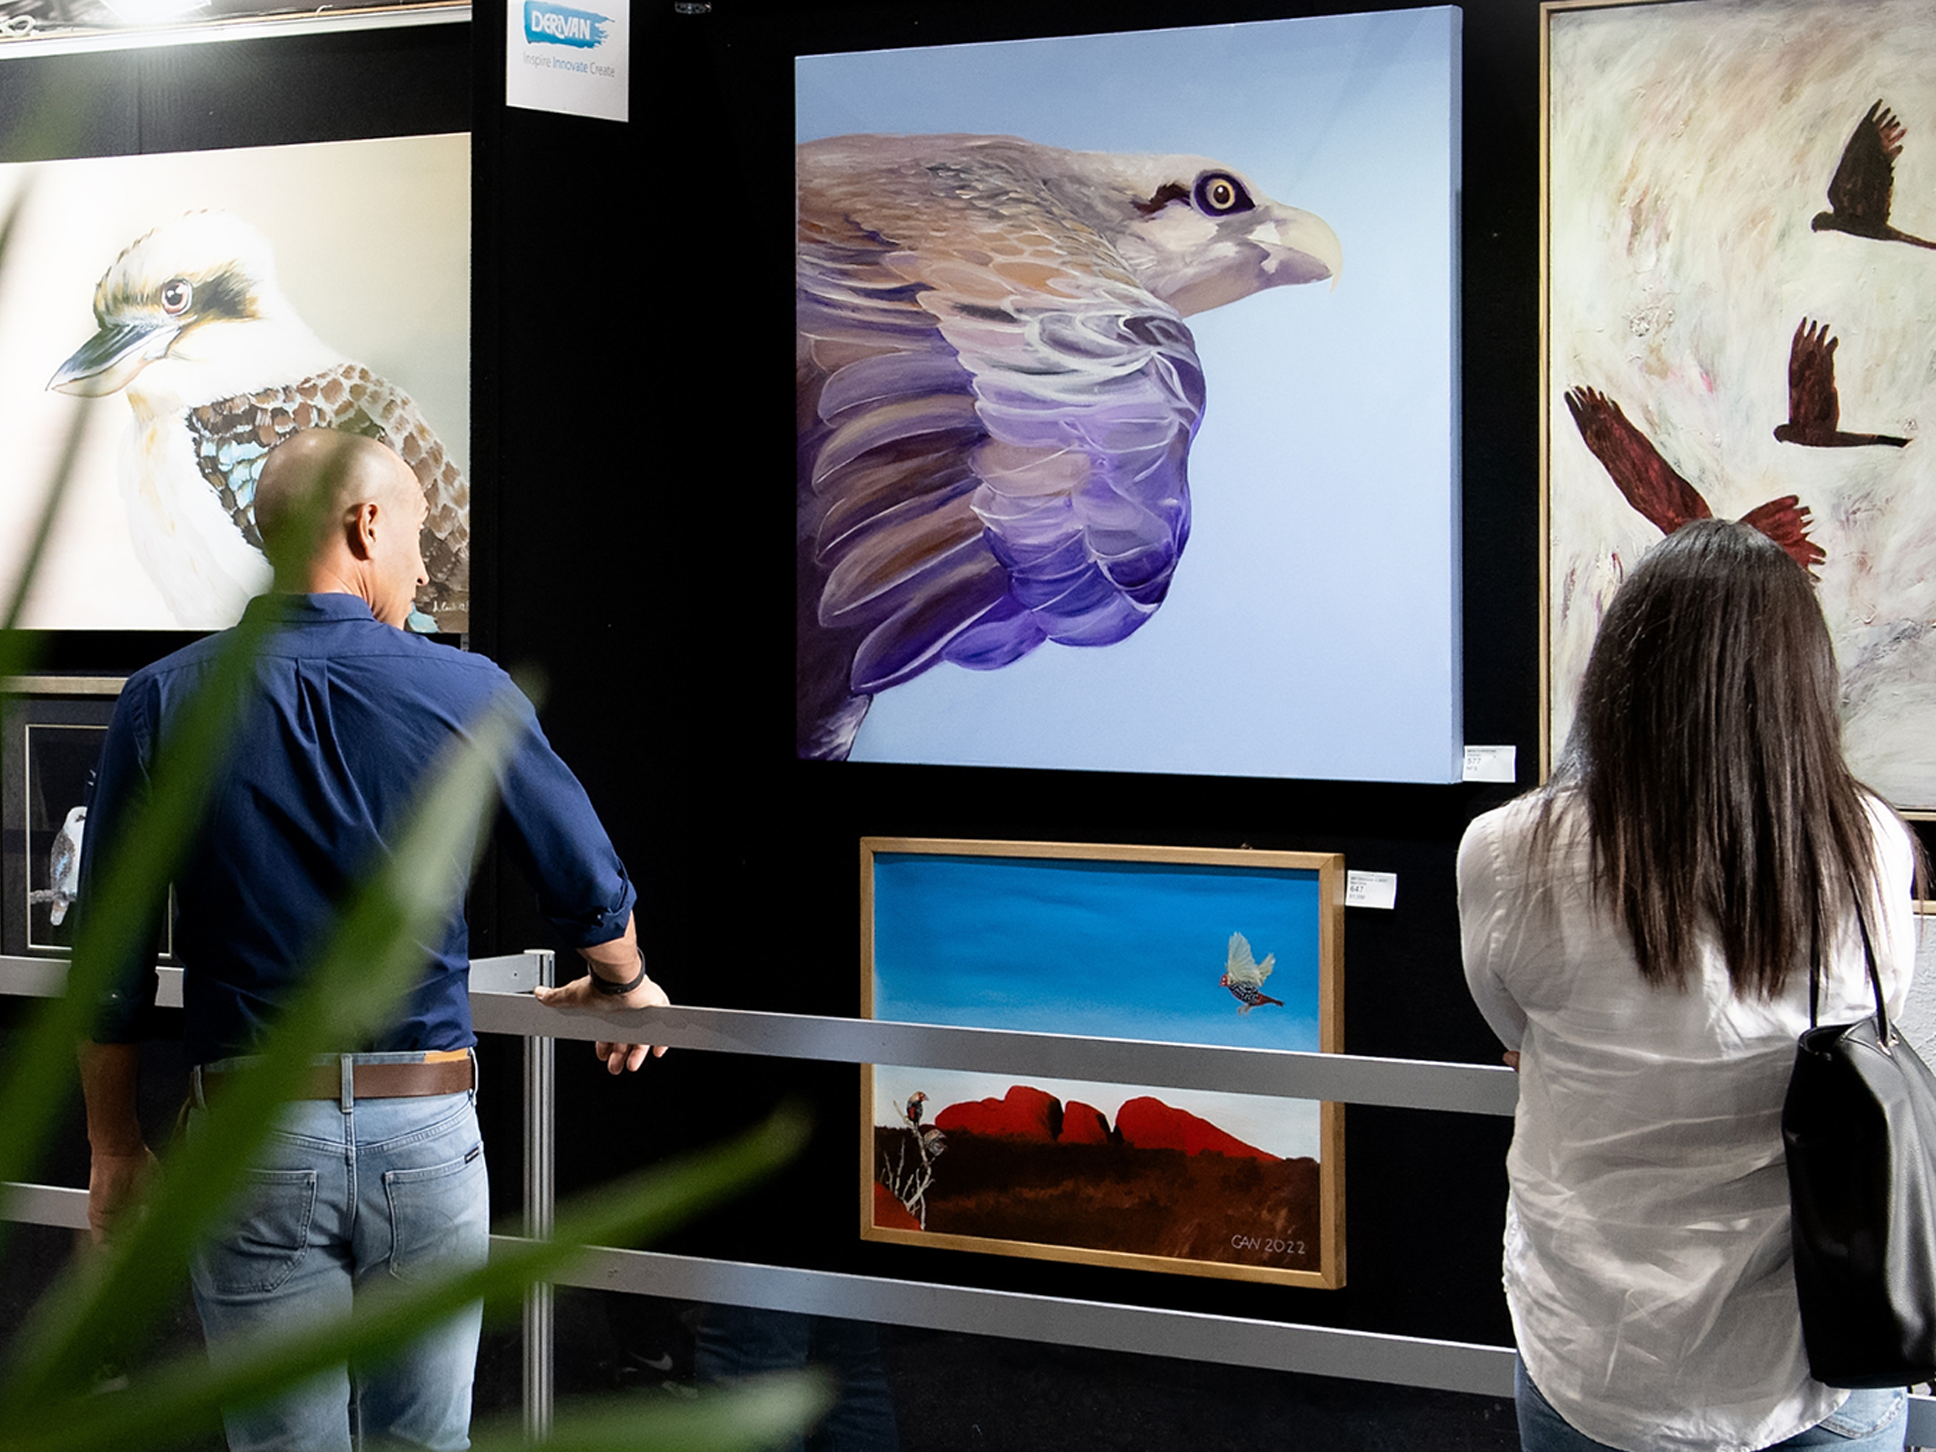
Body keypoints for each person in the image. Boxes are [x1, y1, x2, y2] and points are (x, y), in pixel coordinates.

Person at [75, 428, 668, 1452]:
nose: (421, 563)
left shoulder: (165, 699)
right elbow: (588, 891)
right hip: (424, 1133)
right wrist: (625, 981)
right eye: (417, 537)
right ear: (365, 524)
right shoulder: (466, 690)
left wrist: (115, 1147)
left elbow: (111, 964)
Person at [1458, 519, 1920, 1452]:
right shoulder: (1868, 843)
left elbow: (1508, 1024)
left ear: (1622, 674)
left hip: (1596, 1351)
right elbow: (1876, 1027)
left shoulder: (1509, 852)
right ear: (1804, 681)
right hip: (1812, 1351)